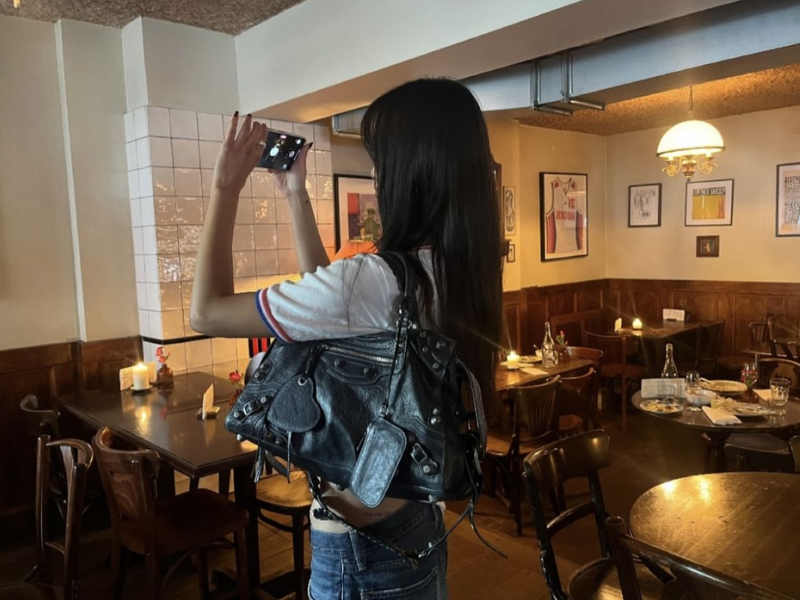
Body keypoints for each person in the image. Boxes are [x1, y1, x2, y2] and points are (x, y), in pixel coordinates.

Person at [191, 78, 503, 600]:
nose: (375, 173)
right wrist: (295, 195)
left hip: (361, 550)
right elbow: (334, 315)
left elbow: (206, 311)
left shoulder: (375, 279)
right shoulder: (457, 269)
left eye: (379, 158)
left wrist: (226, 186)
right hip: (417, 522)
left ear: (410, 169)